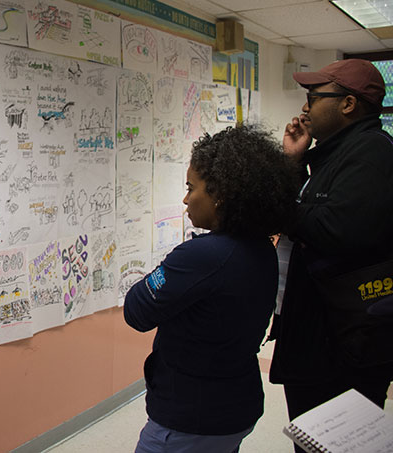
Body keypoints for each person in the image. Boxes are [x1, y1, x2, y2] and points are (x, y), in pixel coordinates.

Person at [124, 125, 298, 453]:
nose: (186, 198)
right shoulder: (261, 248)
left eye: (192, 187)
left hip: (189, 420)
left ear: (219, 193)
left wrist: (170, 269)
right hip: (235, 407)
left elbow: (136, 310)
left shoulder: (203, 256)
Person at [269, 59, 393, 449]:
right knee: (310, 439)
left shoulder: (373, 152)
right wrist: (294, 162)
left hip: (342, 344)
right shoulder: (337, 154)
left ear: (348, 105)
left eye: (313, 98)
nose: (305, 108)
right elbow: (317, 213)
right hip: (317, 336)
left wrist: (275, 201)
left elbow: (334, 230)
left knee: (333, 442)